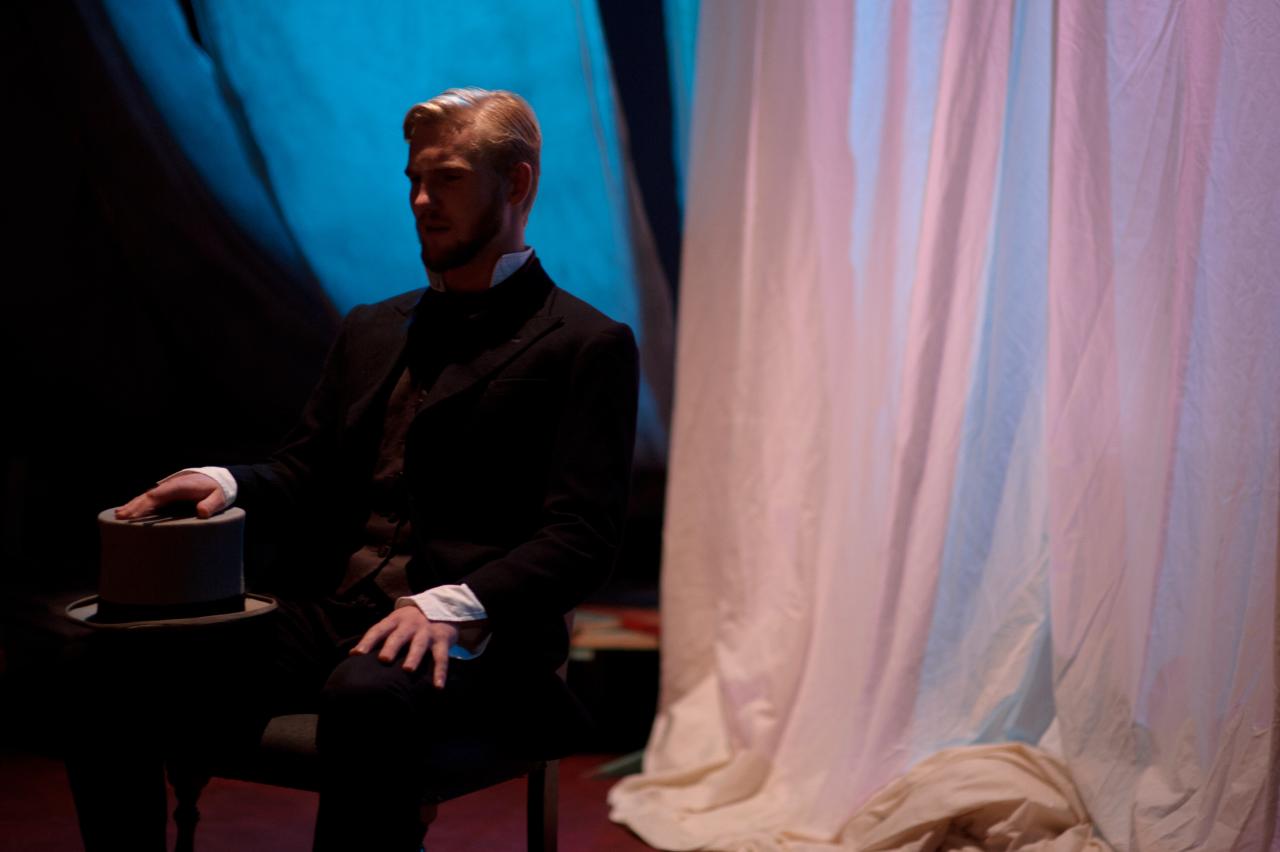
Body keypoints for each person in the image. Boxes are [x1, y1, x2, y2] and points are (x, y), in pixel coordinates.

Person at [67, 87, 639, 851]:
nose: (423, 200)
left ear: (518, 183)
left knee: (367, 696)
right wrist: (225, 481)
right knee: (115, 669)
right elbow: (304, 473)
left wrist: (452, 605)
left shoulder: (585, 344)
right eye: (414, 179)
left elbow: (580, 538)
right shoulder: (374, 327)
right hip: (336, 613)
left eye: (448, 178)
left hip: (482, 641)